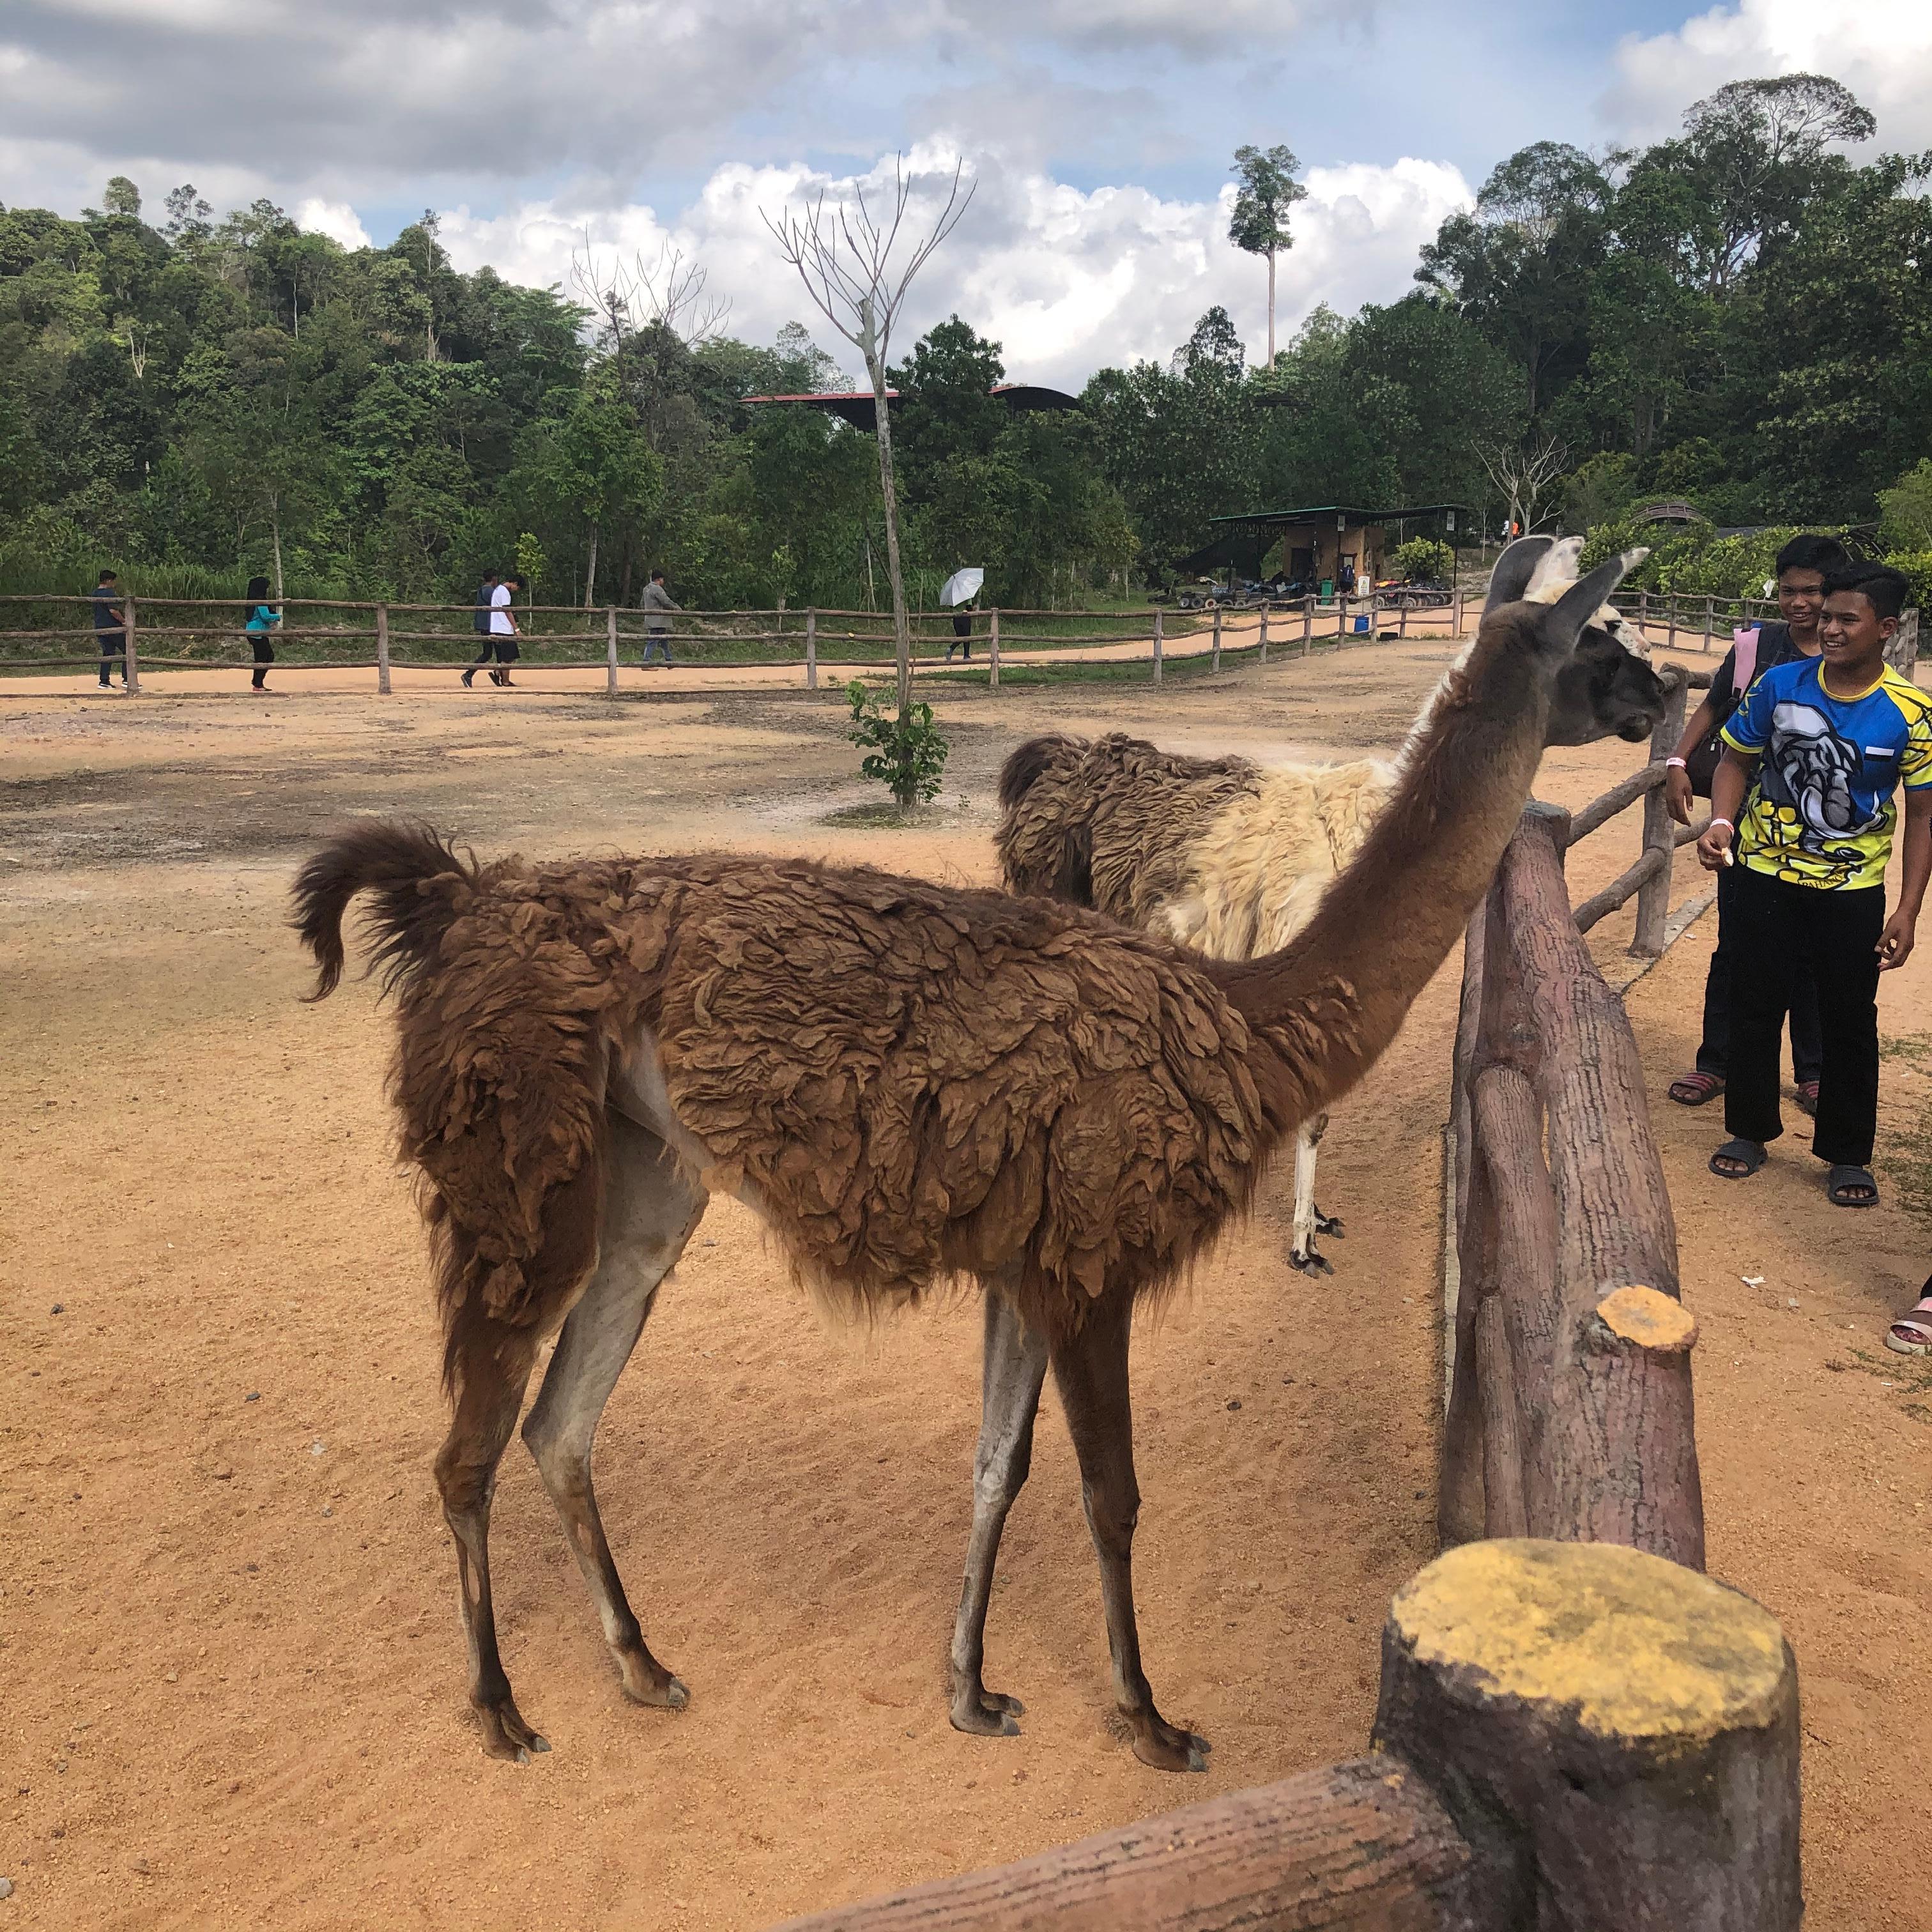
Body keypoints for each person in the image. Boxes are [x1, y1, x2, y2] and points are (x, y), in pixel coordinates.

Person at [1698, 562, 1932, 1211]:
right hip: (1764, 877)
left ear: (1885, 629)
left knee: (1849, 1019)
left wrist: (1909, 907)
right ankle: (1749, 1129)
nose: (1827, 628)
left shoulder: (1912, 713)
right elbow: (1735, 760)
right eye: (1825, 616)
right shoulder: (1778, 686)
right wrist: (1722, 821)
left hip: (1854, 891)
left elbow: (1923, 816)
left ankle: (1847, 1151)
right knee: (1754, 1002)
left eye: (1845, 619)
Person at [1664, 534, 1850, 1112]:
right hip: (1745, 823)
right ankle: (1717, 1061)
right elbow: (1716, 705)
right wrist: (1677, 760)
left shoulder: (1848, 652)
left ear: (1836, 593)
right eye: (1789, 592)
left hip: (1820, 830)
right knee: (1736, 944)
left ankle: (1814, 1070)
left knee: (1812, 954)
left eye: (1813, 592)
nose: (1800, 604)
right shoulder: (1754, 648)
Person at [461, 570, 502, 688]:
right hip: (490, 625)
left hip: (486, 625)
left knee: (489, 653)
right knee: (497, 651)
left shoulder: (482, 590)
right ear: (494, 579)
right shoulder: (490, 591)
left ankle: (496, 674)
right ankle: (470, 674)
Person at [243, 575, 282, 693]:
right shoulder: (261, 600)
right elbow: (266, 616)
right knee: (266, 657)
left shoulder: (252, 600)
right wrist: (278, 616)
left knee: (263, 657)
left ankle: (258, 683)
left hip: (253, 631)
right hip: (258, 632)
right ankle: (258, 683)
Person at [91, 569, 126, 691]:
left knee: (108, 653)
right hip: (112, 626)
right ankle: (127, 678)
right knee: (127, 650)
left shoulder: (95, 593)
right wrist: (123, 621)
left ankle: (104, 680)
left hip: (100, 626)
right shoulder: (109, 593)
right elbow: (113, 610)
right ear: (108, 581)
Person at [640, 569, 678, 667]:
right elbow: (666, 601)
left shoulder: (646, 589)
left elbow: (642, 603)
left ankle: (669, 660)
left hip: (651, 619)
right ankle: (646, 661)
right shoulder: (657, 589)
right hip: (658, 620)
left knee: (664, 640)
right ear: (659, 579)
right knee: (653, 640)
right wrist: (677, 608)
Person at [946, 597, 974, 663]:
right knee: (967, 637)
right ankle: (966, 655)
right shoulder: (967, 595)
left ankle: (951, 648)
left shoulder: (954, 596)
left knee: (959, 636)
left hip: (956, 618)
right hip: (965, 617)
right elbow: (969, 608)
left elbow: (951, 606)